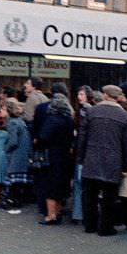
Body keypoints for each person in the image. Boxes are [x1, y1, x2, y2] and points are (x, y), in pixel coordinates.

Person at [76, 85, 127, 235]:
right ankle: (105, 228)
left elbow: (82, 137)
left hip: (92, 158)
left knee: (89, 195)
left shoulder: (92, 112)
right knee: (109, 197)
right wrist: (126, 166)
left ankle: (90, 225)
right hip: (113, 161)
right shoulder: (124, 116)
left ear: (105, 95)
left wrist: (80, 157)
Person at [36, 89, 74, 225]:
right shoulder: (69, 120)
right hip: (65, 156)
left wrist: (37, 141)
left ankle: (51, 215)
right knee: (61, 185)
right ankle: (58, 212)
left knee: (50, 186)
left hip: (52, 155)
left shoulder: (51, 120)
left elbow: (43, 137)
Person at [71, 86, 94, 224]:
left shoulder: (85, 111)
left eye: (82, 94)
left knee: (79, 184)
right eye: (78, 94)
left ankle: (78, 214)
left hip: (82, 152)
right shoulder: (85, 110)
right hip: (83, 151)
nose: (79, 96)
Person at [2, 98, 31, 210]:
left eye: (3, 109)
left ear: (7, 110)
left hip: (16, 155)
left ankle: (11, 200)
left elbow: (13, 141)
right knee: (18, 182)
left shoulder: (12, 123)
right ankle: (17, 199)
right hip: (24, 154)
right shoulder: (20, 121)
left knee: (12, 181)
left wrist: (6, 148)